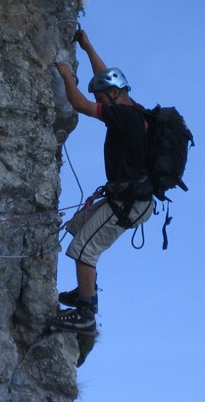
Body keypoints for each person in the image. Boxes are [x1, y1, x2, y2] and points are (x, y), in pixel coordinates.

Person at [50, 30, 155, 336]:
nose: (99, 102)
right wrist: (87, 47)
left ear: (111, 95)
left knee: (84, 250)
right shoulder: (134, 109)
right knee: (78, 226)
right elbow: (106, 77)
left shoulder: (124, 116)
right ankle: (86, 291)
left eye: (102, 97)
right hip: (129, 197)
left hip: (128, 203)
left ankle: (85, 314)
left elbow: (81, 104)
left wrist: (66, 74)